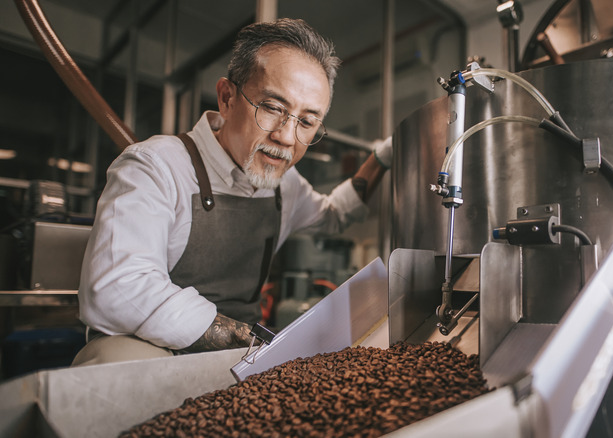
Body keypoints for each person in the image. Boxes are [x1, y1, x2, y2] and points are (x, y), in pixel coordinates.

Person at [72, 18, 392, 366]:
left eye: (306, 122)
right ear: (227, 98)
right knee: (114, 360)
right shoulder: (156, 166)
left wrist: (382, 157)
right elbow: (118, 287)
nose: (286, 136)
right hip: (152, 354)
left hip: (240, 357)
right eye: (272, 108)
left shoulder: (287, 186)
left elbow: (334, 214)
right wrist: (244, 339)